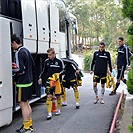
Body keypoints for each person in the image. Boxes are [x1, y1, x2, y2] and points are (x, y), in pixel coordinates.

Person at [11, 34, 34, 133]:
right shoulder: (26, 50)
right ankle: (29, 125)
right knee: (27, 103)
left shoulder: (18, 52)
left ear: (14, 43)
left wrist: (11, 68)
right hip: (29, 81)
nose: (11, 46)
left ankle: (26, 127)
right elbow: (32, 64)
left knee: (22, 104)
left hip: (22, 83)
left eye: (11, 44)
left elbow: (19, 69)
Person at [38, 48, 65, 120]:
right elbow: (44, 71)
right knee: (49, 96)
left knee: (58, 96)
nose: (48, 56)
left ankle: (58, 110)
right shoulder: (46, 61)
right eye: (48, 55)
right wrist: (40, 78)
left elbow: (64, 70)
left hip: (57, 82)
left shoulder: (59, 61)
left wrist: (58, 74)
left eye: (50, 55)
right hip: (49, 81)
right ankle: (49, 113)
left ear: (54, 54)